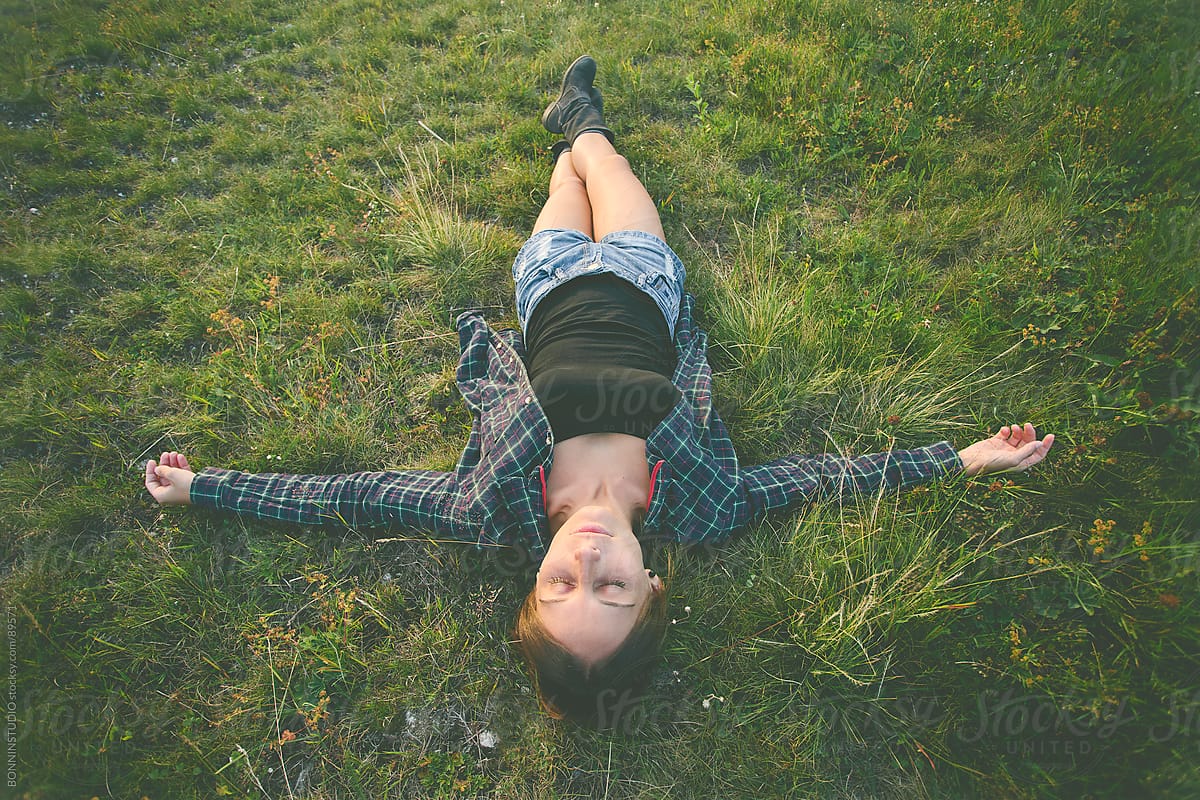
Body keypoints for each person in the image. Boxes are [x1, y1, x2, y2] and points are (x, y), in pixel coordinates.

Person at [143, 55, 1055, 726]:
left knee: (562, 186)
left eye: (556, 582)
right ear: (652, 586)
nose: (583, 556)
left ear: (530, 586)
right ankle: (583, 119)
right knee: (608, 170)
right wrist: (961, 459)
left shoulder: (486, 506)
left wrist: (206, 487)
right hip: (642, 288)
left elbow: (349, 498)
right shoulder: (707, 506)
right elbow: (825, 478)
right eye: (609, 584)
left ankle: (570, 128)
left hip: (546, 292)